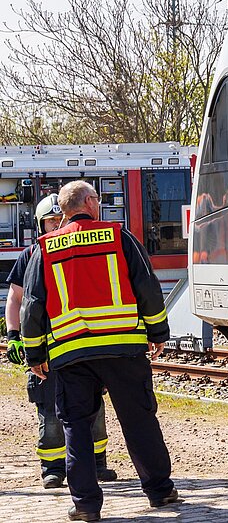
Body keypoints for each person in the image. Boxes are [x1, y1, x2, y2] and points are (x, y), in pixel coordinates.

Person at [19, 181, 177, 522]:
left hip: (71, 352)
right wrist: (158, 332)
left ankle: (86, 506)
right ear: (90, 202)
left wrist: (35, 355)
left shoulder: (44, 248)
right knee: (138, 419)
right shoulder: (118, 236)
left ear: (63, 210)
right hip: (123, 348)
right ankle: (160, 492)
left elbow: (32, 306)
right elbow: (146, 286)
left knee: (76, 425)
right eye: (98, 198)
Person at [5, 194, 117, 490]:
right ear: (41, 225)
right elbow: (16, 299)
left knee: (93, 405)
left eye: (59, 219)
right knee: (49, 409)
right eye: (50, 221)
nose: (55, 224)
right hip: (46, 347)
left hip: (81, 343)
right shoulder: (31, 255)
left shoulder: (80, 249)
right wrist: (14, 336)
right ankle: (53, 468)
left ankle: (98, 463)